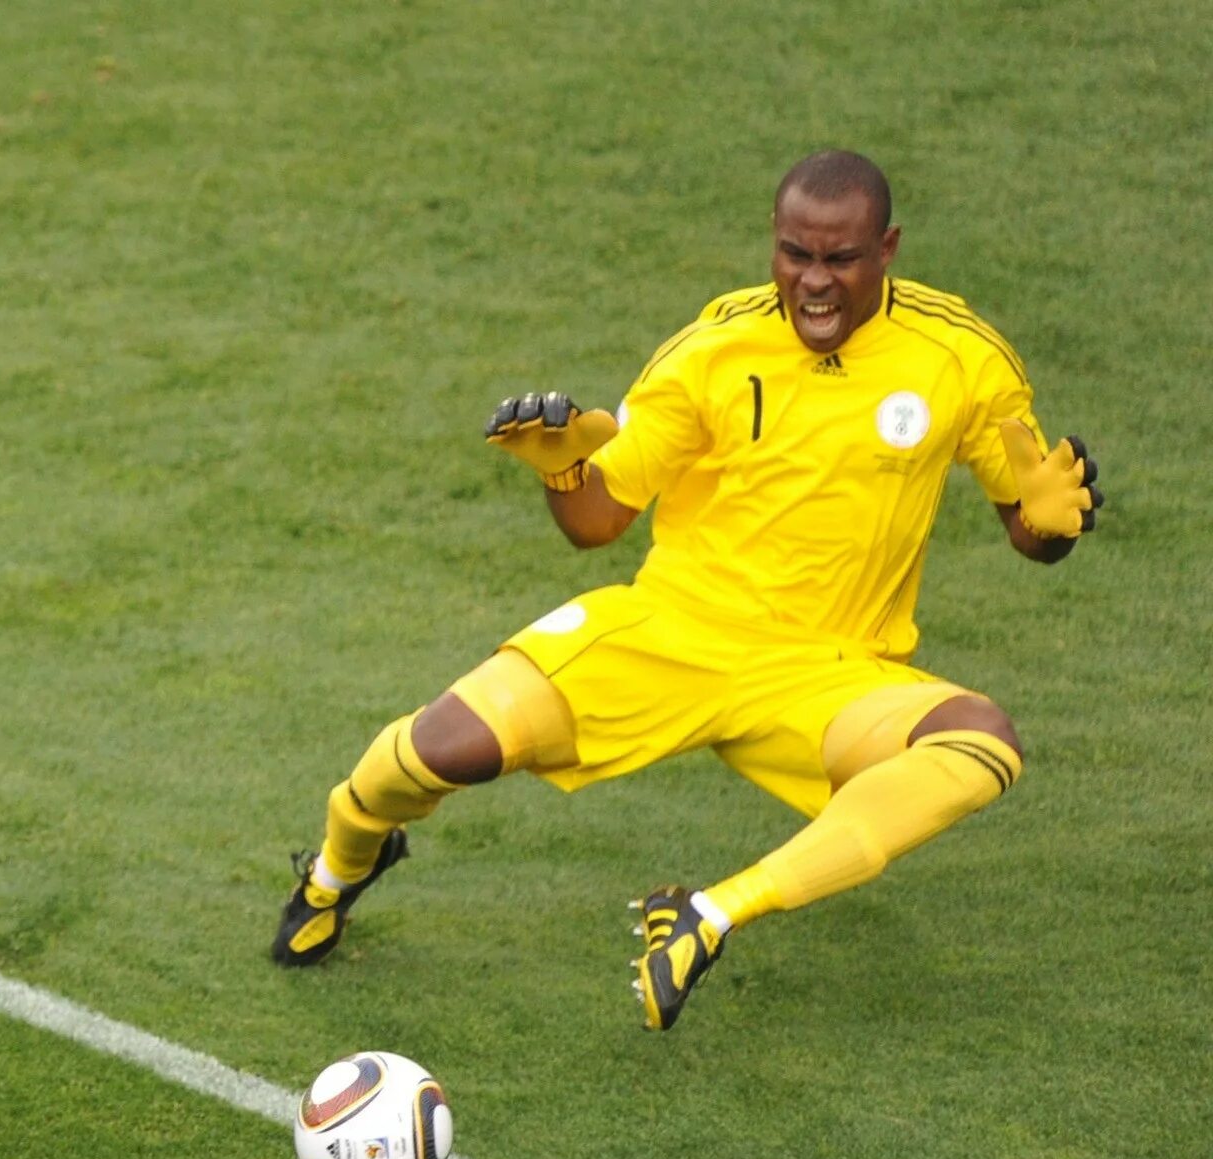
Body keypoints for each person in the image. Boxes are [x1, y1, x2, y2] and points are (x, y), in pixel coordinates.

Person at [273, 151, 1103, 1029]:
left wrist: (1048, 526)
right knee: (440, 747)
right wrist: (562, 473)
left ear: (887, 248)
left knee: (980, 744)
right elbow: (599, 521)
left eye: (840, 259)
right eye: (795, 255)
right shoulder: (713, 346)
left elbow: (1028, 520)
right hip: (675, 629)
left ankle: (711, 913)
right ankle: (338, 868)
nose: (814, 283)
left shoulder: (958, 355)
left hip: (831, 672)